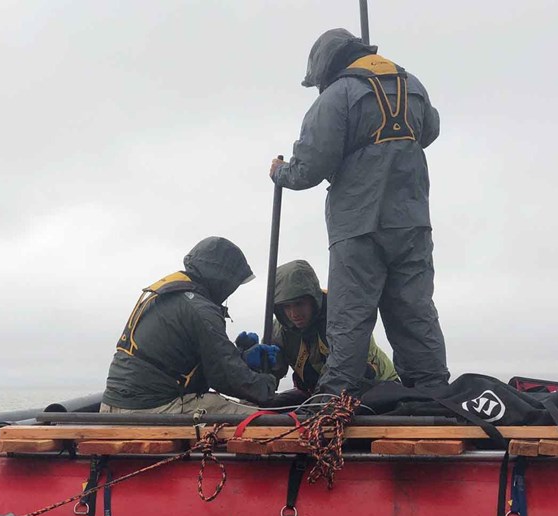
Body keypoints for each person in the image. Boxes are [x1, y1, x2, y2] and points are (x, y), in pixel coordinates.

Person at [269, 28, 450, 397]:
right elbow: (427, 131)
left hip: (358, 224)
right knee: (414, 310)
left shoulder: (337, 96)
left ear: (325, 67)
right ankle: (432, 395)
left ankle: (335, 397)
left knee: (349, 315)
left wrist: (279, 173)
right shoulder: (412, 85)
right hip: (412, 221)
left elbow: (308, 169)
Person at [101, 237, 278, 415]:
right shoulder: (201, 310)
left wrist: (241, 356)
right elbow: (226, 377)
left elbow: (196, 361)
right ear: (223, 280)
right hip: (151, 408)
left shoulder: (167, 293)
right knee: (260, 416)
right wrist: (268, 383)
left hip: (111, 406)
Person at [269, 260, 398, 402]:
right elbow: (270, 374)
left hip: (375, 384)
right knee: (273, 404)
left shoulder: (344, 317)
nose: (293, 314)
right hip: (315, 394)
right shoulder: (278, 331)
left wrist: (319, 405)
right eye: (286, 307)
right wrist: (253, 364)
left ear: (313, 300)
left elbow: (353, 371)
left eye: (299, 304)